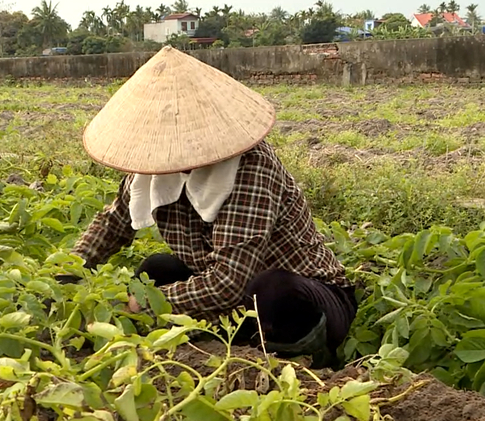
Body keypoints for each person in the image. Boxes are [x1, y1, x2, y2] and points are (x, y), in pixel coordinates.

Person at [60, 46, 358, 369]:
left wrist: (147, 305)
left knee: (272, 292)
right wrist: (65, 275)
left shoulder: (250, 168)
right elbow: (112, 224)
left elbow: (229, 282)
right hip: (235, 300)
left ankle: (306, 358)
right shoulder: (153, 167)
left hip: (308, 299)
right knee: (156, 270)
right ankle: (226, 343)